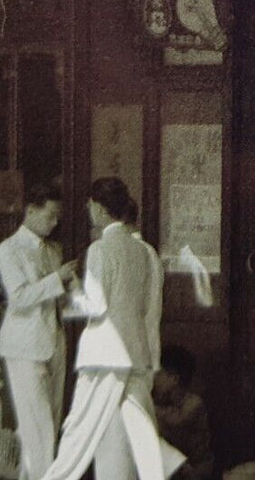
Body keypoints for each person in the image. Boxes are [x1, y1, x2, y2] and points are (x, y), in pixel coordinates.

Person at [41, 177, 165, 480]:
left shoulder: (100, 249)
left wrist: (71, 289)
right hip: (135, 355)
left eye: (90, 205)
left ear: (98, 208)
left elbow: (94, 307)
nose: (88, 209)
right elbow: (151, 312)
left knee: (79, 434)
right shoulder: (144, 252)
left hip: (104, 357)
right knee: (130, 436)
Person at [0, 183, 80, 480]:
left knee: (49, 424)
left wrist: (75, 292)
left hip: (54, 341)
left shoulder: (54, 250)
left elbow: (58, 300)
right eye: (50, 216)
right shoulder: (9, 250)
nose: (55, 223)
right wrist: (57, 279)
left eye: (57, 217)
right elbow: (18, 298)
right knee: (39, 426)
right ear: (30, 211)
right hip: (24, 346)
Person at [155, 344, 215, 480]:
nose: (154, 378)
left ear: (174, 379)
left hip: (196, 470)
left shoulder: (194, 403)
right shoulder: (164, 403)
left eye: (159, 374)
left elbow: (175, 421)